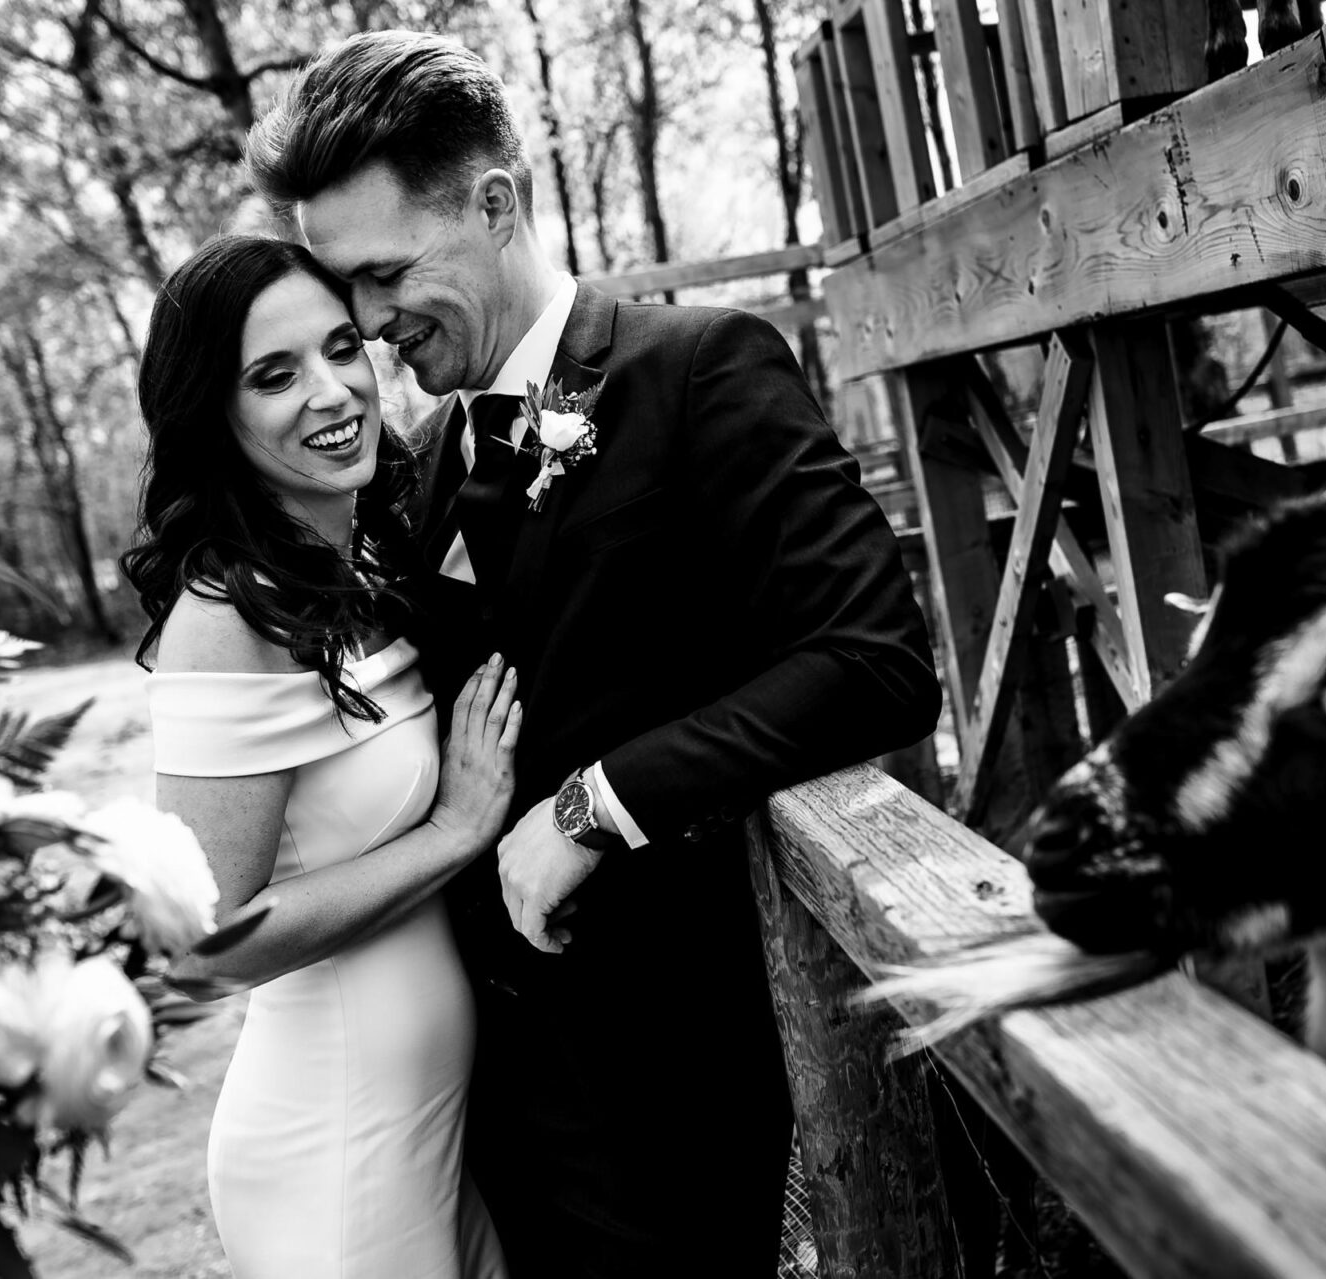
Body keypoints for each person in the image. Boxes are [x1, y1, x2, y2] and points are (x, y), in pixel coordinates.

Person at [245, 30, 944, 1277]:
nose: (368, 319)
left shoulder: (701, 371)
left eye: (388, 270)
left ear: (497, 204)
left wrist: (595, 805)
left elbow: (875, 654)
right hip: (489, 1088)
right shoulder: (418, 470)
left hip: (671, 1062)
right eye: (344, 282)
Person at [122, 234, 517, 1279]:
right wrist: (458, 832)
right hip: (337, 1152)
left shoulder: (368, 558)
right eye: (274, 374)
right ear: (216, 411)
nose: (334, 390)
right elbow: (211, 940)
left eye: (343, 346)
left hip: (439, 1129)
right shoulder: (224, 615)